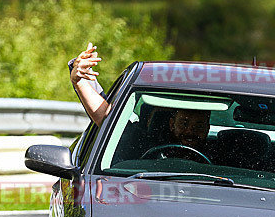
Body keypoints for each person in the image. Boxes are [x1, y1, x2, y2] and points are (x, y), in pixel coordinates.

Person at [69, 43, 212, 155]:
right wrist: (79, 81)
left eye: (199, 126)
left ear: (208, 128)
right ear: (171, 123)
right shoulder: (138, 142)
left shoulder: (221, 155)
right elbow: (105, 118)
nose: (190, 131)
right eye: (184, 123)